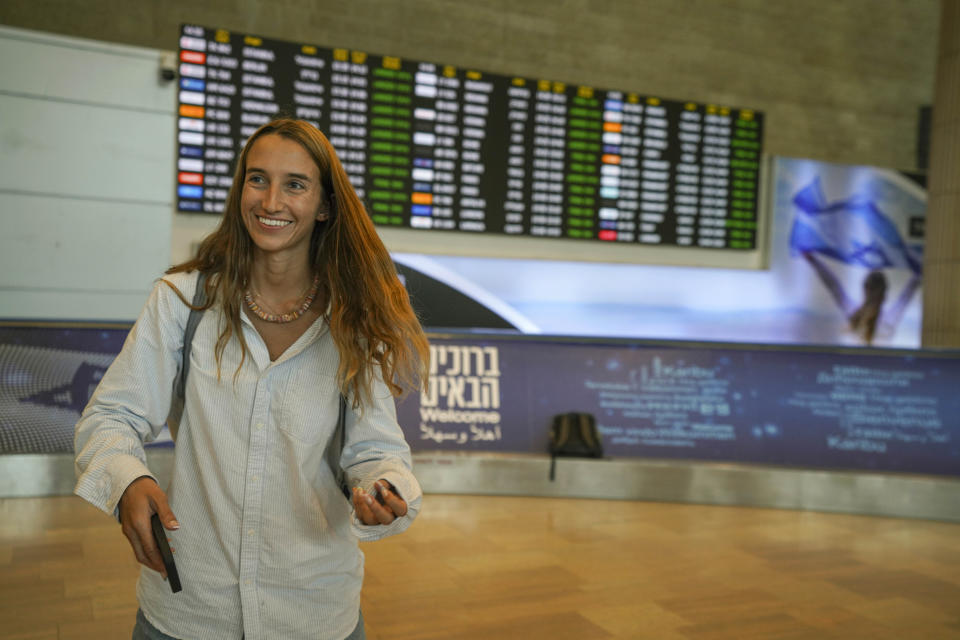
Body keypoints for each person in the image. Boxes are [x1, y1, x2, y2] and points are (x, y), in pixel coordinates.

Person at [74, 118, 430, 640]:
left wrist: (385, 488)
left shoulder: (353, 323)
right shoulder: (182, 300)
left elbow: (374, 451)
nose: (271, 200)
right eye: (257, 179)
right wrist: (129, 478)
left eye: (295, 184)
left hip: (314, 615)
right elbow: (112, 416)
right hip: (188, 614)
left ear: (325, 206)